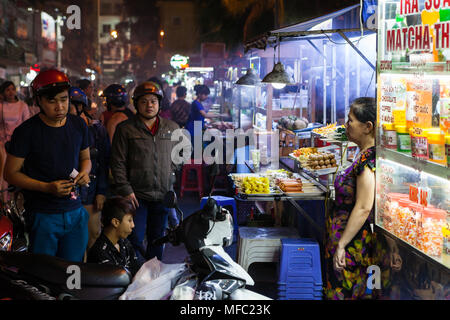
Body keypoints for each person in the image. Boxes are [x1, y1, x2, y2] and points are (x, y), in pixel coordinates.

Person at [4, 69, 91, 262]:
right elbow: (10, 174)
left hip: (75, 211)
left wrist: (85, 172)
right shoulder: (26, 132)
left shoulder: (79, 125)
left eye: (64, 99)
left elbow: (86, 158)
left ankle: (70, 293)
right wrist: (46, 187)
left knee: (73, 270)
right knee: (44, 272)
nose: (60, 106)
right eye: (52, 101)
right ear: (39, 101)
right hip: (43, 215)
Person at [110, 81, 179, 262]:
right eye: (144, 101)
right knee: (135, 237)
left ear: (159, 104)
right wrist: (125, 189)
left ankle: (153, 276)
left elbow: (179, 156)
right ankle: (134, 272)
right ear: (136, 104)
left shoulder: (172, 128)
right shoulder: (125, 129)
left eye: (153, 101)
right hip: (136, 196)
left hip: (162, 194)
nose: (149, 105)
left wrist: (170, 174)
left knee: (157, 239)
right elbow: (117, 162)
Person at [324, 97, 378, 300]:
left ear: (368, 127)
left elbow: (364, 207)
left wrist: (341, 245)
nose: (346, 125)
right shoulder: (362, 155)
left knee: (347, 294)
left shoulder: (367, 162)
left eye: (350, 120)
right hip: (346, 242)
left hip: (353, 248)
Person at [69, 87, 110, 251]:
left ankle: (92, 273)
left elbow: (104, 161)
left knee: (92, 235)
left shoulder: (96, 129)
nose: (62, 107)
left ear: (80, 106)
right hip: (64, 194)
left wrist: (101, 191)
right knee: (72, 240)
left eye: (69, 104)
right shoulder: (55, 129)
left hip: (90, 192)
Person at [87, 196, 139, 276]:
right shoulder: (100, 253)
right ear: (115, 222)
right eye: (129, 220)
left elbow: (137, 268)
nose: (133, 225)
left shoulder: (124, 242)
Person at [0, 81, 30, 200]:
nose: (11, 92)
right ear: (3, 92)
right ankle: (4, 197)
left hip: (18, 142)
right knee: (3, 167)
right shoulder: (1, 106)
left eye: (12, 89)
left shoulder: (23, 105)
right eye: (7, 90)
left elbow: (27, 125)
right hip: (3, 142)